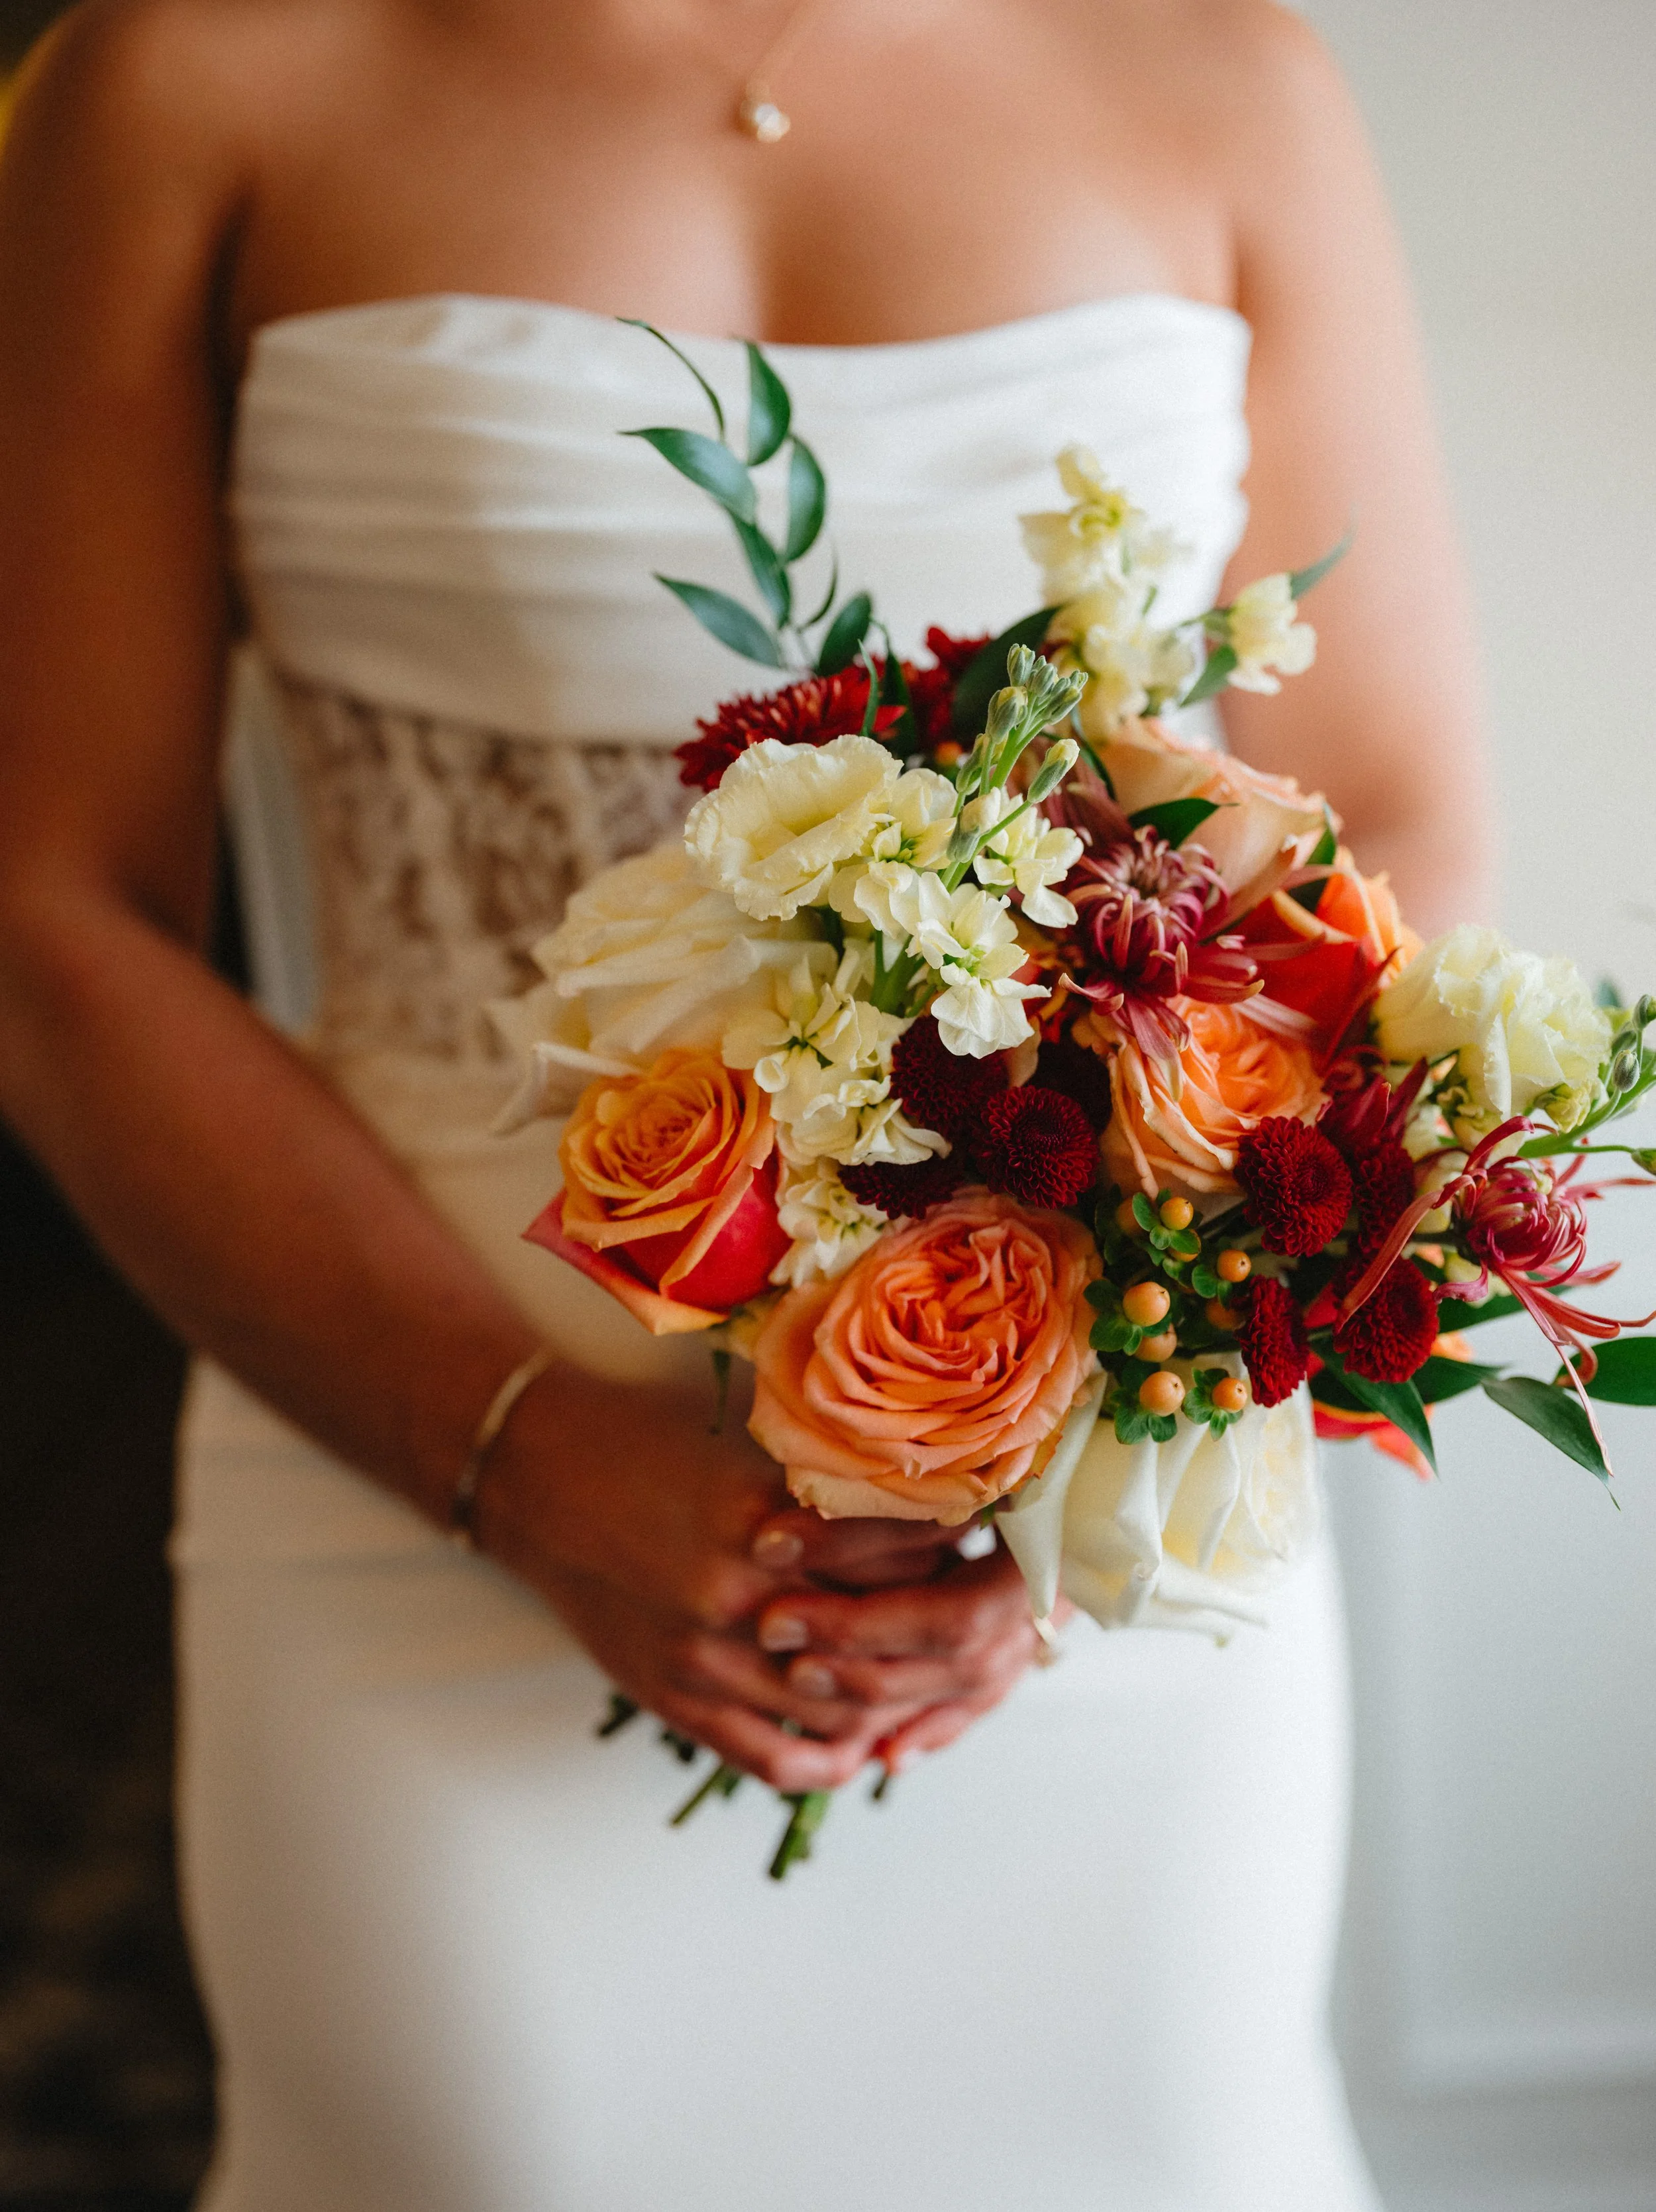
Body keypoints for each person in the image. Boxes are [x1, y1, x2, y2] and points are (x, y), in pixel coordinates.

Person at [0, 0, 1486, 2203]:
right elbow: (53, 915)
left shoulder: (1215, 68)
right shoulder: (194, 73)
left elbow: (1392, 826)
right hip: (415, 1476)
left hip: (1073, 1579)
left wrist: (1100, 1448)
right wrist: (504, 1460)